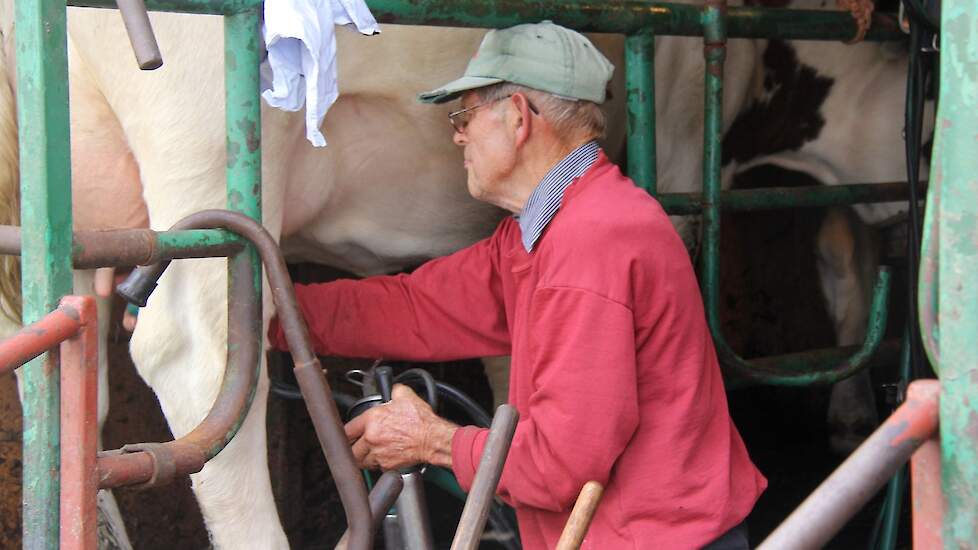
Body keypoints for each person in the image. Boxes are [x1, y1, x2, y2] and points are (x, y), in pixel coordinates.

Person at [269, 21, 766, 549]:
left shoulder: (595, 243)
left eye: (464, 115)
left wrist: (433, 440)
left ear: (519, 118)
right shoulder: (548, 229)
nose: (456, 133)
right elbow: (417, 308)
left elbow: (557, 466)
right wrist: (269, 312)